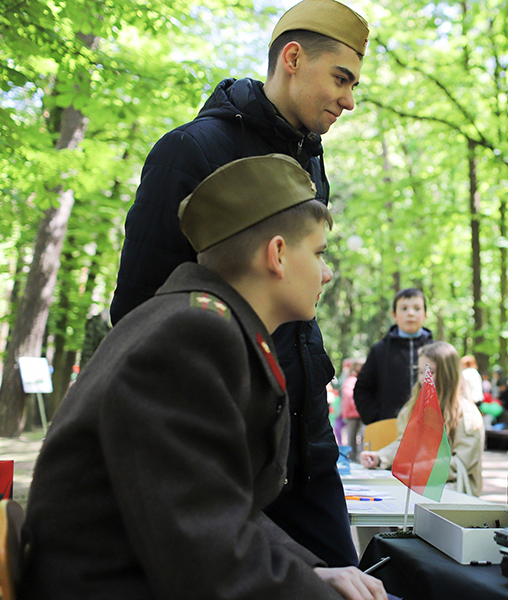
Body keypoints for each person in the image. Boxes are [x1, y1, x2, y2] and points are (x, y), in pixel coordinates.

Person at [20, 155, 386, 600]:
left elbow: (217, 505)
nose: (327, 273)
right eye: (319, 253)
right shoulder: (192, 336)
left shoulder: (196, 320)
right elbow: (204, 556)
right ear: (278, 254)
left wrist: (311, 570)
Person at [107, 0, 369, 567]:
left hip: (307, 438)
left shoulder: (312, 161)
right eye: (342, 79)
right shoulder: (192, 150)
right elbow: (136, 313)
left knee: (349, 577)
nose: (350, 100)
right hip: (225, 438)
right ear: (293, 58)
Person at [359, 342, 485, 496]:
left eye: (430, 372)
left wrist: (423, 469)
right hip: (417, 487)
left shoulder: (466, 414)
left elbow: (462, 463)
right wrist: (380, 457)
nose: (423, 378)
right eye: (420, 372)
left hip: (452, 494)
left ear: (448, 375)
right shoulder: (414, 407)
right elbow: (404, 444)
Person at [354, 288, 434, 424]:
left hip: (430, 428)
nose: (410, 313)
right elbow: (362, 390)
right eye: (404, 308)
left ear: (425, 314)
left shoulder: (436, 351)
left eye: (417, 308)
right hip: (389, 428)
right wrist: (376, 418)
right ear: (394, 315)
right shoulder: (380, 350)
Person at [341, 358, 364, 461]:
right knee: (352, 436)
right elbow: (349, 397)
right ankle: (353, 458)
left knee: (359, 436)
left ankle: (357, 457)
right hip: (353, 413)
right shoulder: (351, 380)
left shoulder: (355, 380)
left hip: (357, 412)